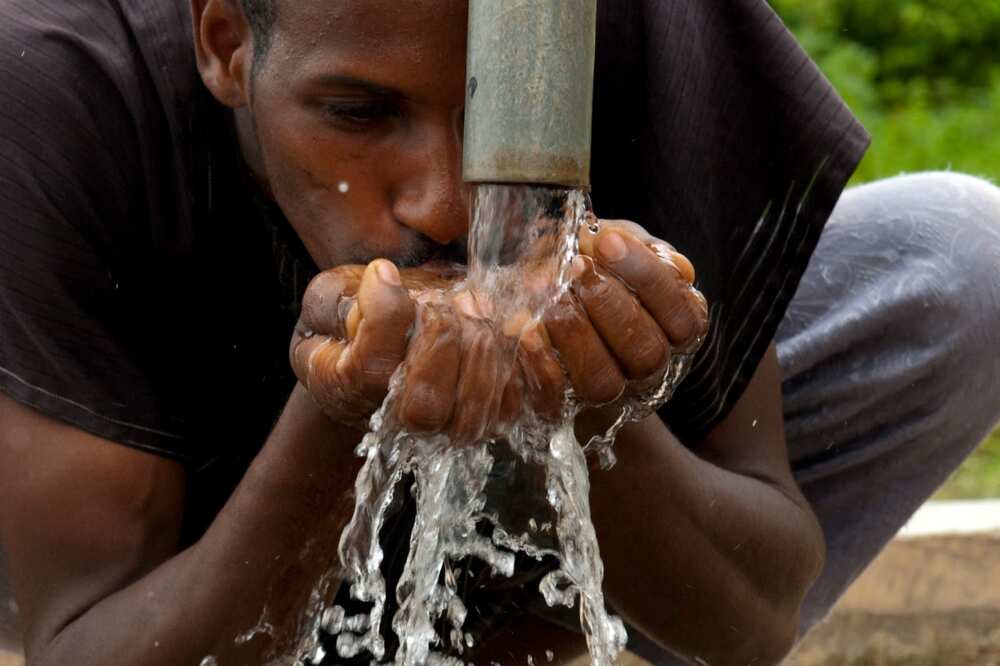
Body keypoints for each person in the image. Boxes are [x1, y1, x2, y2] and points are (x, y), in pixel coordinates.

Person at [0, 1, 998, 665]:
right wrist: (334, 418)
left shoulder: (657, 34)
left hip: (507, 591)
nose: (442, 204)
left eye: (494, 123)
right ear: (224, 41)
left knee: (961, 256)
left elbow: (751, 616)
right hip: (163, 543)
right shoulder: (60, 88)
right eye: (357, 112)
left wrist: (593, 411)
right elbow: (85, 640)